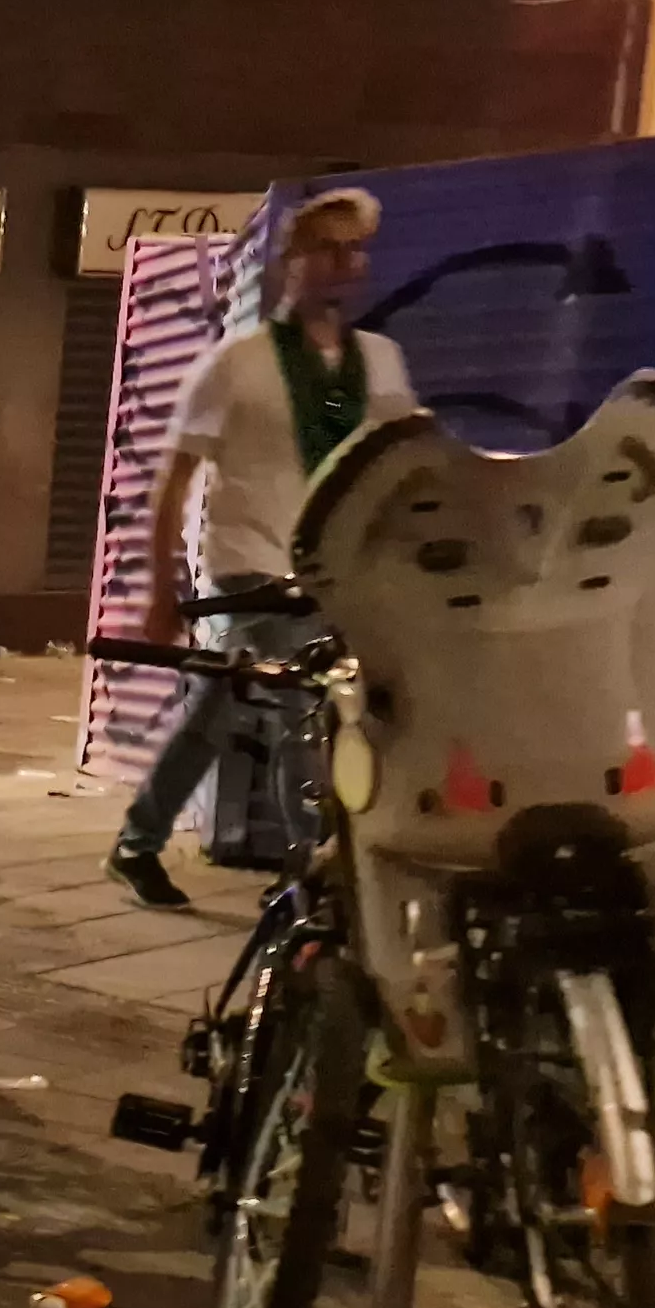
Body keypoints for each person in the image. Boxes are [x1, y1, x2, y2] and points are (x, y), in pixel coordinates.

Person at [108, 189, 411, 910]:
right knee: (301, 714)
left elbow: (405, 468)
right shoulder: (236, 364)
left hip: (343, 575)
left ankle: (136, 840)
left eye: (355, 250)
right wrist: (162, 587)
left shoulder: (381, 362)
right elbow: (172, 480)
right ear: (290, 264)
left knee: (221, 707)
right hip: (255, 572)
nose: (343, 264)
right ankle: (309, 876)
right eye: (327, 249)